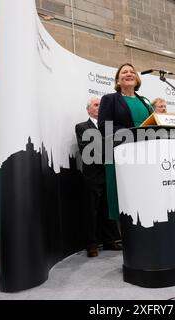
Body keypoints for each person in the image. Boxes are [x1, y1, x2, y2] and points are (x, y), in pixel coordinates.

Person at [98, 63, 153, 222]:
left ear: (137, 79)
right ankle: (129, 237)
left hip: (146, 153)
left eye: (132, 72)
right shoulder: (110, 99)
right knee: (126, 197)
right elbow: (104, 127)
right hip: (121, 154)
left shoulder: (145, 101)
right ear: (117, 80)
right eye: (124, 72)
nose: (129, 74)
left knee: (144, 194)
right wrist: (131, 133)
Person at [75, 97, 121, 257]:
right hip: (93, 175)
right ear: (88, 110)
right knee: (91, 210)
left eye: (101, 105)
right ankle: (92, 244)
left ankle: (110, 240)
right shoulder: (82, 127)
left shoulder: (110, 128)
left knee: (108, 208)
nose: (99, 107)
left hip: (109, 173)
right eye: (96, 105)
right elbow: (86, 150)